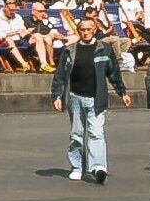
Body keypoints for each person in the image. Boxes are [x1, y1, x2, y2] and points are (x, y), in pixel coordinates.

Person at [52, 11, 127, 183]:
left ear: (95, 30)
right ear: (79, 31)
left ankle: (98, 167)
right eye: (82, 30)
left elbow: (113, 72)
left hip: (96, 98)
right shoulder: (70, 50)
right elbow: (60, 75)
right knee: (76, 134)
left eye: (88, 29)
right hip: (75, 97)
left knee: (96, 133)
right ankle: (77, 167)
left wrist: (122, 92)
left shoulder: (104, 49)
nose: (85, 32)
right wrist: (57, 95)